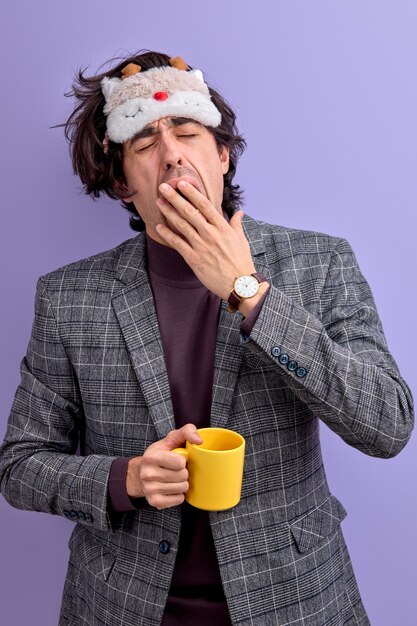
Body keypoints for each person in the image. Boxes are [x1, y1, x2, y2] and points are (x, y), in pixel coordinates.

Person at [0, 49, 414, 626]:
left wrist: (251, 295)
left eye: (188, 133)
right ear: (122, 183)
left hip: (296, 602)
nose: (171, 154)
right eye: (143, 144)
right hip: (121, 608)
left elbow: (388, 424)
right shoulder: (69, 297)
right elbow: (20, 466)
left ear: (222, 155)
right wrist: (126, 479)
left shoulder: (319, 262)